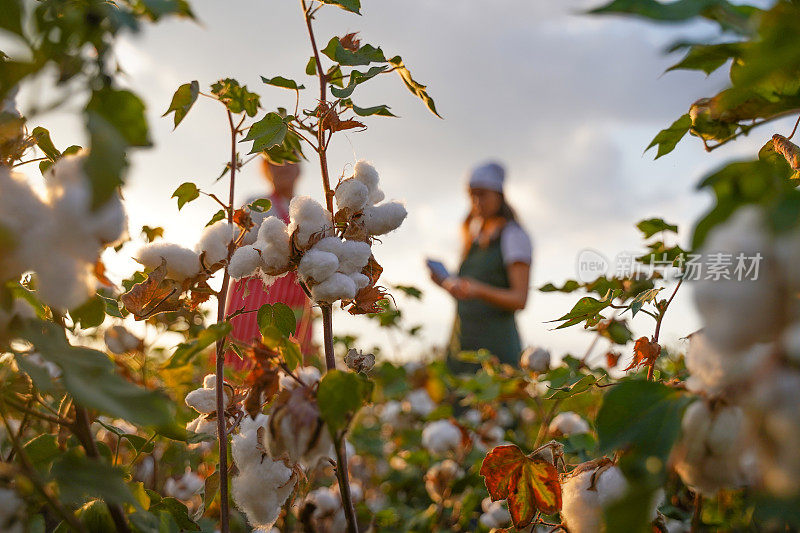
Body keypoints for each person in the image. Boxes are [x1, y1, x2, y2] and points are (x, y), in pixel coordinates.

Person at [435, 161, 533, 373]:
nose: (476, 201)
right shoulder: (475, 238)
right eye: (472, 195)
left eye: (482, 194)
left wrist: (478, 290)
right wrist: (445, 283)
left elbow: (519, 298)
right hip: (461, 347)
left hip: (496, 354)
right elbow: (469, 292)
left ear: (499, 195)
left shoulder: (513, 236)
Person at [224, 158, 314, 369]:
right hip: (253, 297)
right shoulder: (257, 204)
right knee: (244, 362)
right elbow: (237, 246)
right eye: (275, 162)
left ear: (298, 168)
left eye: (288, 161)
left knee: (291, 368)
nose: (282, 167)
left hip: (297, 298)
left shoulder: (308, 212)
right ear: (267, 169)